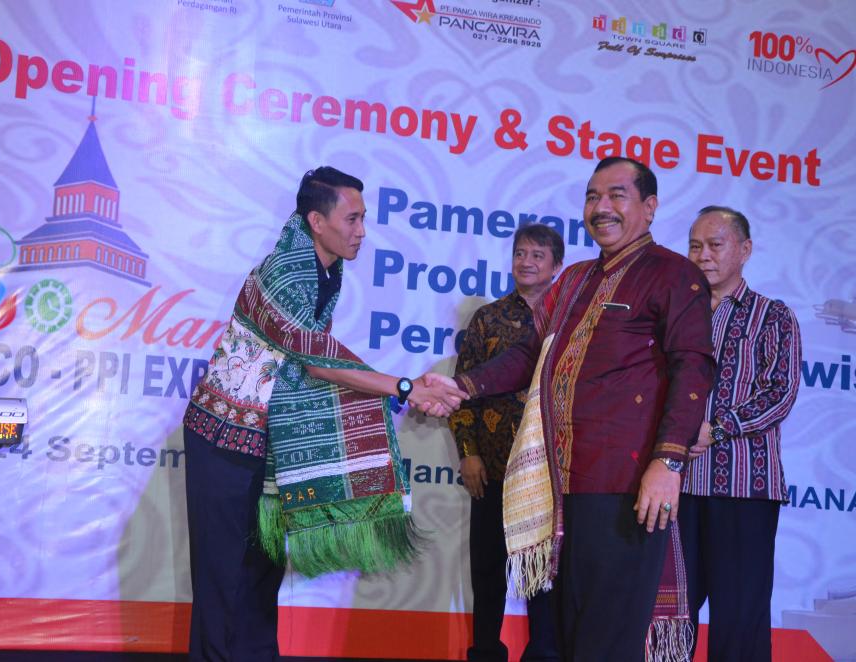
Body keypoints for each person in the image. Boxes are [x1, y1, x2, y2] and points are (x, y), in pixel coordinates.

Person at [181, 166, 466, 661]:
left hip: (265, 439)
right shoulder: (289, 270)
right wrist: (405, 387)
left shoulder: (327, 269)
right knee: (224, 576)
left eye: (363, 219)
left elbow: (317, 357)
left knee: (261, 569)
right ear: (317, 221)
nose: (362, 231)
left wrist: (409, 387)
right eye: (352, 219)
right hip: (224, 438)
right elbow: (315, 360)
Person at [448, 156, 715, 661]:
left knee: (607, 637)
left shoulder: (673, 274)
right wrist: (462, 386)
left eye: (616, 195)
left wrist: (668, 462)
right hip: (560, 484)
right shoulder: (572, 280)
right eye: (593, 196)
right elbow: (529, 354)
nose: (601, 207)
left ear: (649, 207)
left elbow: (693, 369)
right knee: (563, 635)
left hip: (625, 485)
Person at [680, 206, 802, 662]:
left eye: (715, 245)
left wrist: (717, 428)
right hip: (677, 487)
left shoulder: (773, 316)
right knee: (669, 615)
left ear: (745, 249)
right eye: (695, 246)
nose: (703, 255)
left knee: (739, 619)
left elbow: (781, 393)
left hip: (744, 490)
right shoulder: (675, 314)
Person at [449, 224, 563, 662]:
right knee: (487, 568)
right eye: (520, 253)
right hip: (492, 467)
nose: (526, 262)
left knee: (543, 572)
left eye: (537, 255)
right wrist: (468, 453)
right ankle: (485, 651)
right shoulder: (488, 318)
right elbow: (462, 392)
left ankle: (544, 654)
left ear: (557, 266)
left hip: (547, 473)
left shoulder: (569, 321)